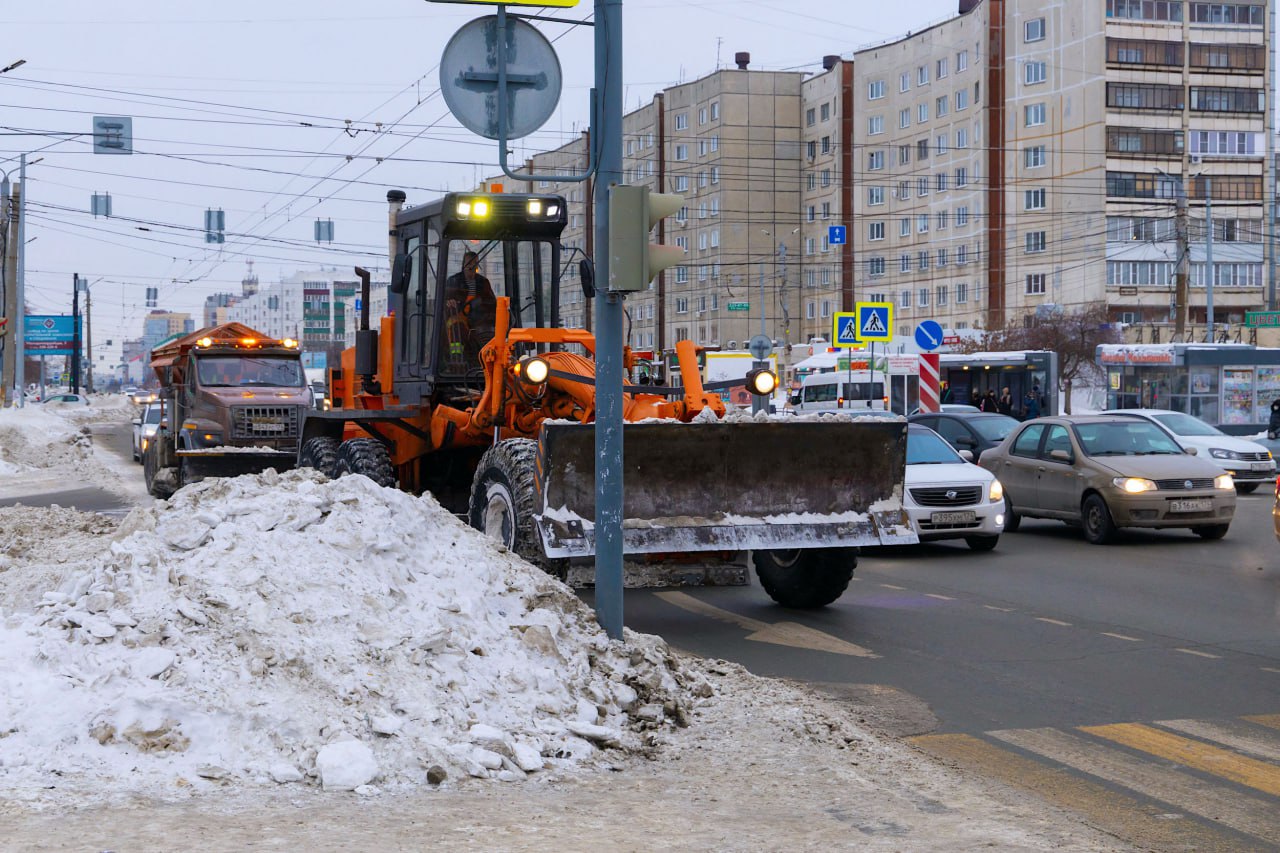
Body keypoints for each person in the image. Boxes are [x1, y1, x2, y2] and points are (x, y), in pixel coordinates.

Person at [443, 251, 498, 363]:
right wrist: (449, 302)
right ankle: (456, 359)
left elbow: (492, 303)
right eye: (469, 263)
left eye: (475, 263)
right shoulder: (453, 281)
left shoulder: (483, 282)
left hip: (480, 319)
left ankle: (492, 359)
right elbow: (444, 300)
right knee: (456, 327)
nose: (471, 266)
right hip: (459, 316)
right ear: (463, 264)